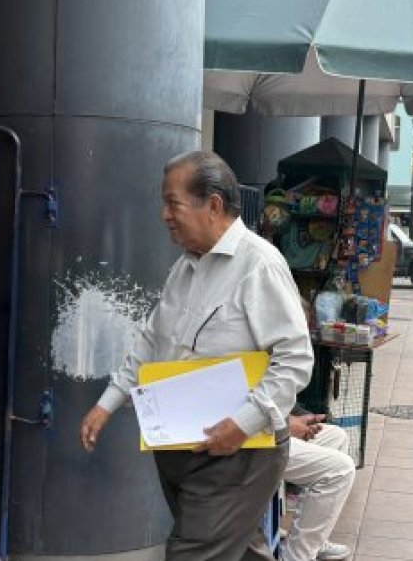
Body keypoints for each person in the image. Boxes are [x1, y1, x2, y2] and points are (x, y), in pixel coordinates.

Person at [78, 150, 314, 561]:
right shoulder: (185, 267)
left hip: (238, 452)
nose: (165, 215)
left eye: (173, 203)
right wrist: (107, 403)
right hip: (183, 445)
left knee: (193, 552)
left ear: (214, 206)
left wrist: (242, 424)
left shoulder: (259, 266)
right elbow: (151, 340)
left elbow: (295, 359)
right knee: (231, 551)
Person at [279, 413, 354, 561]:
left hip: (272, 428)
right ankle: (297, 557)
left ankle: (313, 542)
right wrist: (285, 425)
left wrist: (299, 420)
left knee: (336, 436)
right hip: (252, 443)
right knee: (341, 469)